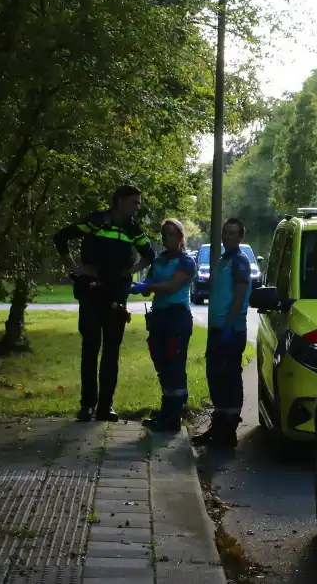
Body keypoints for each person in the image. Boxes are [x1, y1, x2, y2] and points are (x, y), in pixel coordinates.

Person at [53, 186, 155, 422]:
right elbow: (61, 237)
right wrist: (75, 268)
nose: (137, 207)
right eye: (134, 202)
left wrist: (130, 271)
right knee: (90, 348)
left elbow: (149, 255)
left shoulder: (132, 229)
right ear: (120, 201)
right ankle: (87, 405)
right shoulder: (96, 222)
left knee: (111, 351)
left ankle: (105, 406)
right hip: (91, 291)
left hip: (117, 294)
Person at [129, 218, 195, 433]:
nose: (167, 238)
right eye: (164, 234)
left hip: (177, 318)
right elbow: (148, 287)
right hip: (158, 318)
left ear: (180, 236)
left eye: (171, 234)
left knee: (174, 366)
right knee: (162, 366)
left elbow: (173, 286)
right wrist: (141, 286)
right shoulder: (159, 260)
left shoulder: (186, 261)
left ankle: (173, 417)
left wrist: (148, 287)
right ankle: (166, 411)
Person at [192, 217, 251, 447]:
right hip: (218, 330)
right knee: (216, 378)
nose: (226, 237)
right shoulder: (221, 261)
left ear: (240, 237)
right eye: (225, 232)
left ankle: (228, 431)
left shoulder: (239, 261)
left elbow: (239, 296)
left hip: (231, 330)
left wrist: (229, 325)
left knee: (229, 380)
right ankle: (218, 427)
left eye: (232, 233)